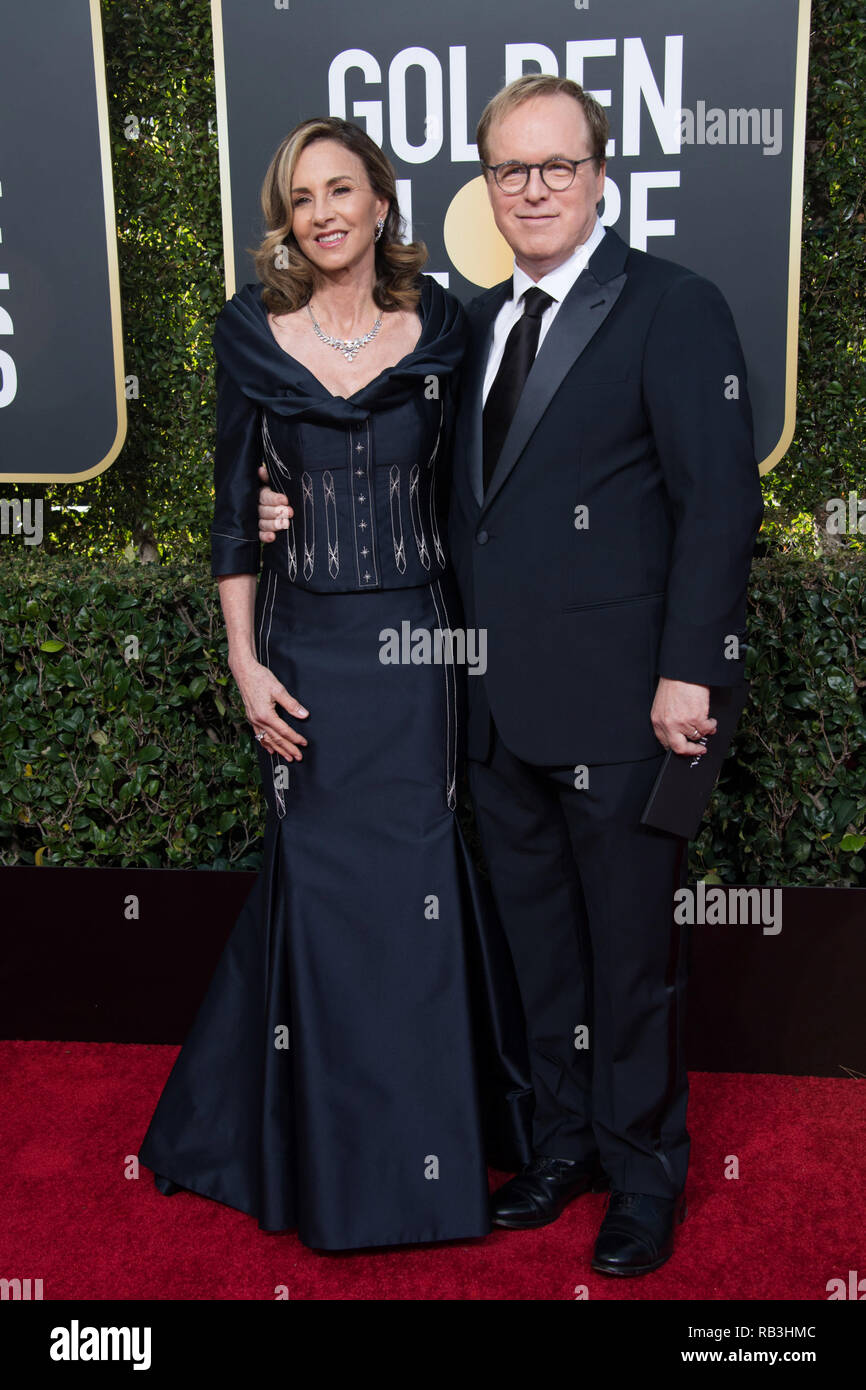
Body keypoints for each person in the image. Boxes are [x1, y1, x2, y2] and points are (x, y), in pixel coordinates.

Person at [258, 77, 764, 1275]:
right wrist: (287, 503)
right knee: (540, 950)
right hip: (491, 711)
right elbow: (422, 490)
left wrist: (689, 673)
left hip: (629, 708)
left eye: (553, 166)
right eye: (507, 170)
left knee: (628, 962)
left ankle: (642, 1172)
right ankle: (560, 1144)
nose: (530, 189)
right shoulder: (467, 323)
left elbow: (718, 507)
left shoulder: (671, 308)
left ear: (599, 174)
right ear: (484, 183)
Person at [137, 116, 532, 1252]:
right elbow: (228, 515)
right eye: (301, 196)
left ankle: (425, 1174)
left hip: (418, 653)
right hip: (305, 655)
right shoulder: (248, 337)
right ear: (288, 219)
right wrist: (244, 663)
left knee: (412, 903)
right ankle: (320, 1164)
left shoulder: (446, 327)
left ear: (379, 204)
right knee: (319, 897)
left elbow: (485, 489)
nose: (321, 212)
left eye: (341, 189)